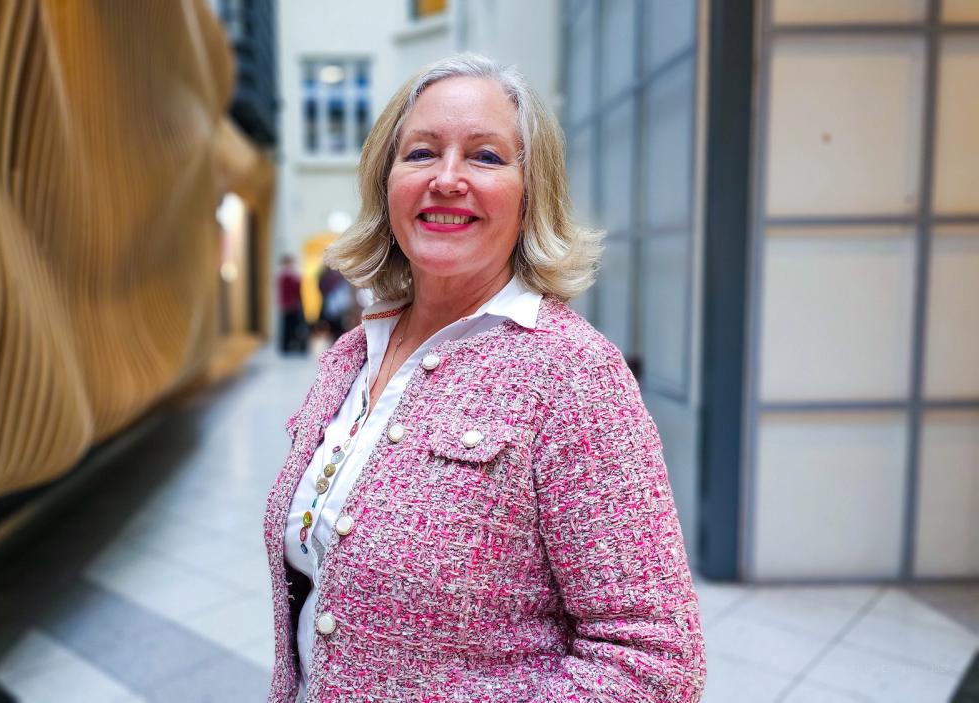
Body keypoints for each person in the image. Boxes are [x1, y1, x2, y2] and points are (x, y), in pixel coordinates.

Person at [261, 54, 706, 702]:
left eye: (486, 157)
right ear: (387, 182)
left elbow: (652, 659)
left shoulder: (574, 376)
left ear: (531, 195)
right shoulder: (352, 353)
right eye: (421, 153)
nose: (447, 178)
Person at [276, 254, 305, 354]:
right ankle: (287, 346)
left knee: (289, 326)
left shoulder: (284, 275)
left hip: (289, 304)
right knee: (288, 326)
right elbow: (294, 290)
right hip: (290, 304)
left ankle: (288, 346)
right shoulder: (287, 276)